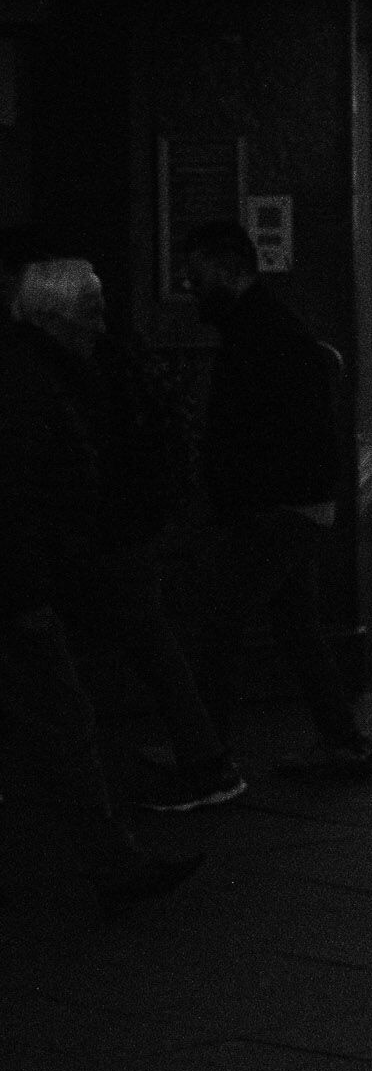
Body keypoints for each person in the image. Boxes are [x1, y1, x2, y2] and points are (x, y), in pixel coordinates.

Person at [0, 265, 202, 913]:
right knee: (63, 720)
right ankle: (112, 863)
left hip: (30, 582)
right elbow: (20, 497)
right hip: (22, 591)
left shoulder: (37, 373)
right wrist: (33, 589)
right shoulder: (32, 384)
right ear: (51, 319)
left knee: (60, 720)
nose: (100, 326)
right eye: (90, 313)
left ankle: (111, 860)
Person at [18, 262, 239, 811]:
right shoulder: (119, 358)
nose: (96, 324)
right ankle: (201, 757)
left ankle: (200, 761)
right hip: (126, 528)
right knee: (147, 643)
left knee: (126, 647)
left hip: (104, 533)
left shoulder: (64, 371)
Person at [179, 222, 372, 778]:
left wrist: (232, 494)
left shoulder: (257, 333)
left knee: (218, 625)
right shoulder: (270, 325)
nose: (190, 287)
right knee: (297, 626)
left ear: (229, 269)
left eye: (197, 277)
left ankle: (207, 756)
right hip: (297, 502)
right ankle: (345, 741)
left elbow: (256, 430)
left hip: (276, 506)